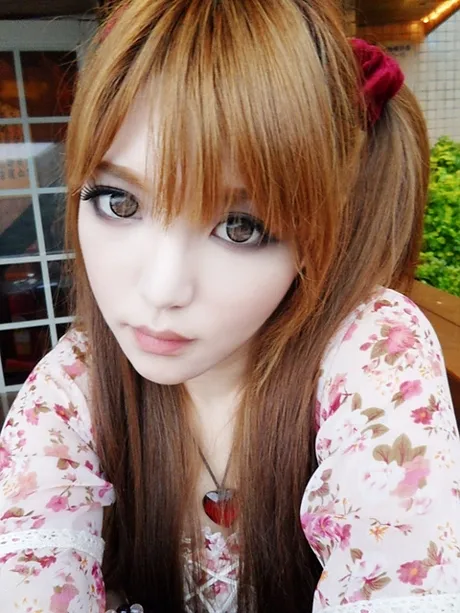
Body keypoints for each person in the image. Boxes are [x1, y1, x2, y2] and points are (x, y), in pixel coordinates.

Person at [1, 1, 459, 612]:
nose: (162, 289)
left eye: (240, 226)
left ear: (316, 236)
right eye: (118, 201)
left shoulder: (371, 350)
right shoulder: (73, 387)